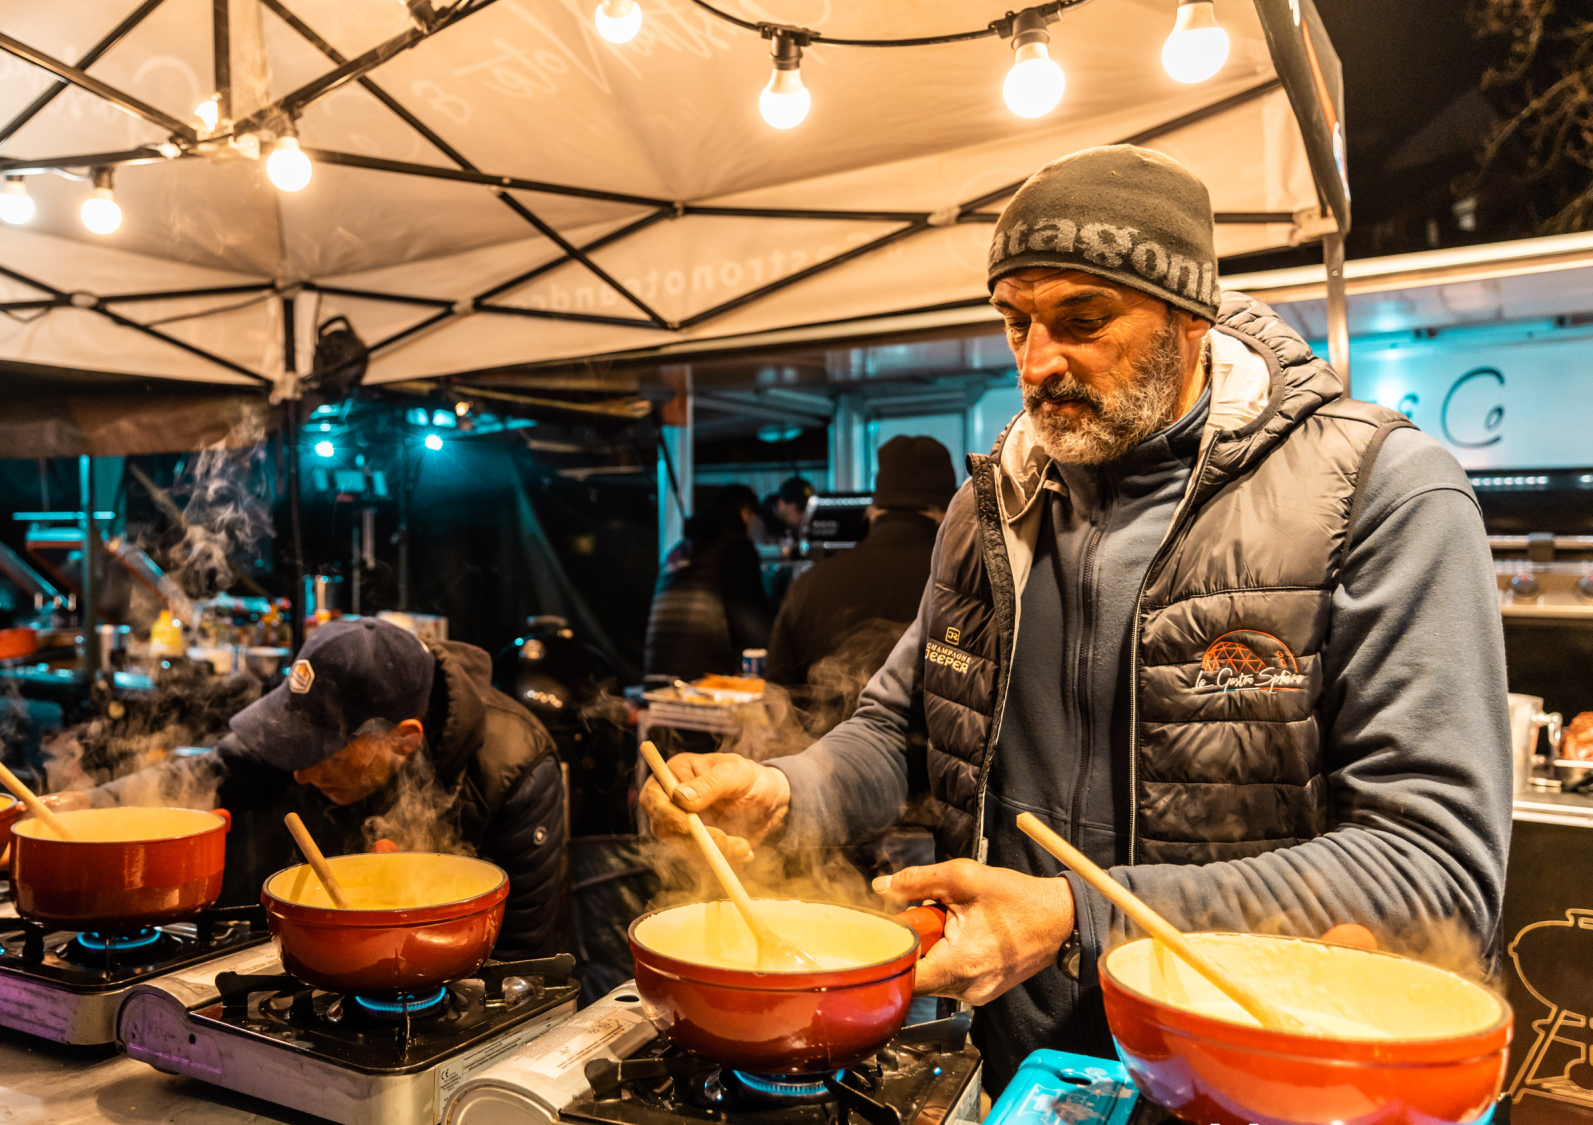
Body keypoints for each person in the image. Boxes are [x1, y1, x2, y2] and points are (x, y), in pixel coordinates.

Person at [639, 145, 1510, 1091]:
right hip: (1021, 1074)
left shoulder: (1380, 494)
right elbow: (902, 728)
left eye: (1082, 321)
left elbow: (1434, 868)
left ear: (1190, 312)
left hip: (1244, 1080)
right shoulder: (992, 507)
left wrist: (1079, 917)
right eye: (1015, 322)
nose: (1036, 362)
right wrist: (785, 790)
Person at [71, 618, 569, 961]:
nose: (300, 774)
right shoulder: (310, 724)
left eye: (322, 754)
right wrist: (89, 807)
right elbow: (207, 775)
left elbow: (521, 957)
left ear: (404, 740)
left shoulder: (516, 770)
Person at [766, 436, 956, 689]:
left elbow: (777, 689)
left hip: (822, 717)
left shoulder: (810, 584)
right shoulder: (958, 584)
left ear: (873, 509)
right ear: (947, 513)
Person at [643, 484, 772, 682]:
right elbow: (755, 630)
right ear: (745, 514)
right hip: (699, 685)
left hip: (654, 681)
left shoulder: (679, 549)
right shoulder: (736, 548)